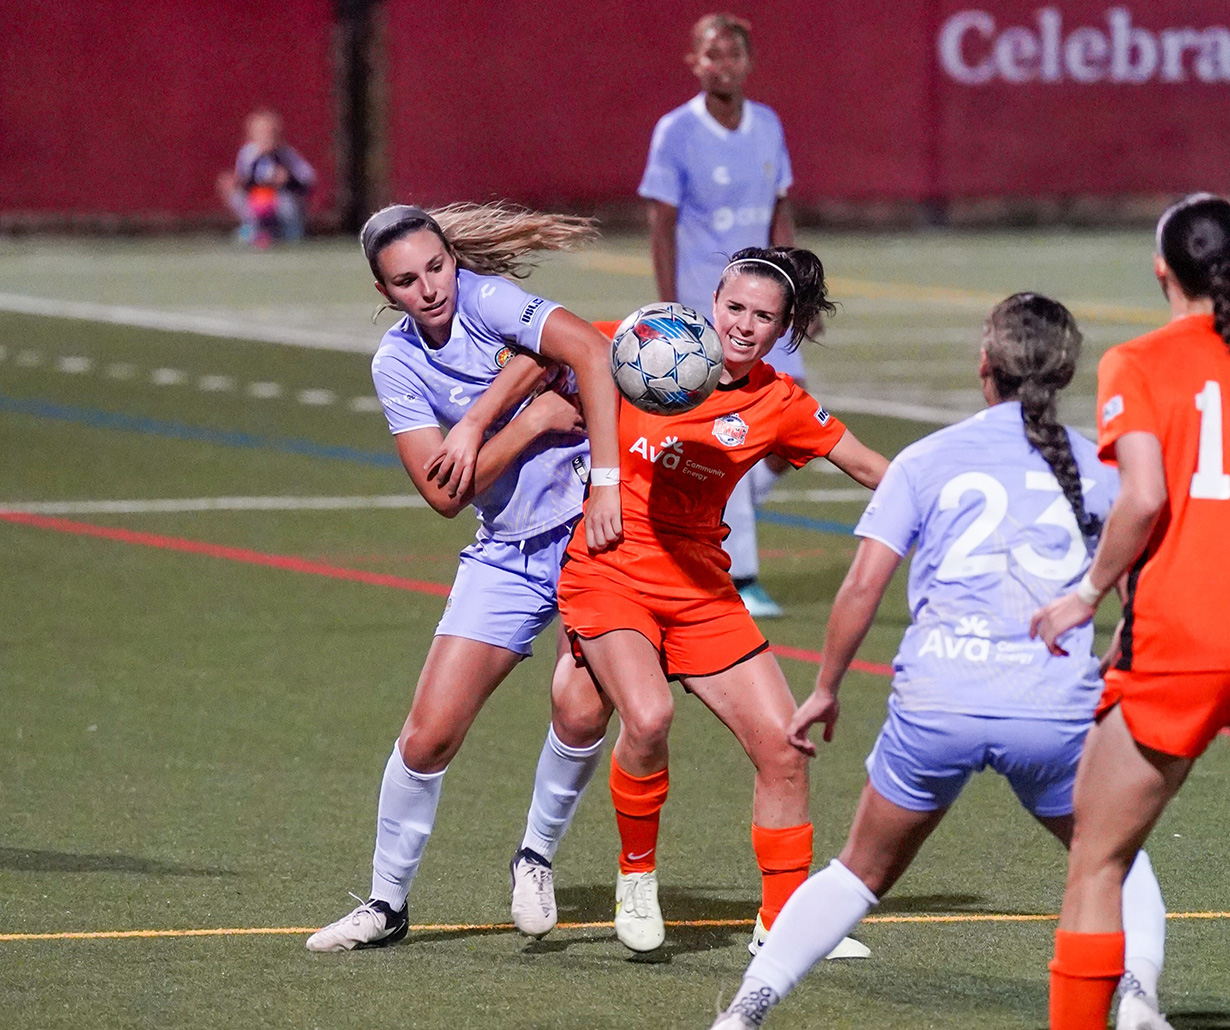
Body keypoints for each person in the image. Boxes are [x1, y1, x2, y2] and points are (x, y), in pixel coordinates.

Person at [711, 293, 1172, 1030]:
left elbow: (864, 584)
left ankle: (746, 1009)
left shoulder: (926, 458)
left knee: (857, 873)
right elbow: (1143, 585)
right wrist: (1119, 655)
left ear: (984, 367)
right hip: (1051, 711)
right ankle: (1140, 997)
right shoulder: (1102, 465)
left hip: (936, 705)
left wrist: (827, 687)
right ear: (1066, 371)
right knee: (1114, 856)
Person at [306, 202, 623, 951]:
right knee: (428, 736)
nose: (430, 289)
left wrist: (483, 424)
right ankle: (386, 905)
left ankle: (535, 858)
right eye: (406, 281)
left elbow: (592, 352)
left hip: (590, 540)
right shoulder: (397, 363)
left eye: (437, 267)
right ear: (385, 293)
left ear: (455, 258)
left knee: (581, 714)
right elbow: (445, 493)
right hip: (506, 554)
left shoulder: (489, 299)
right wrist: (530, 420)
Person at [558, 246, 887, 955]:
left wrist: (947, 499)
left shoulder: (780, 402)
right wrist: (492, 417)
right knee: (647, 717)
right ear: (712, 302)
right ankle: (637, 876)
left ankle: (784, 923)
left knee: (785, 748)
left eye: (763, 316)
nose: (743, 325)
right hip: (611, 567)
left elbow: (866, 467)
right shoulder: (648, 340)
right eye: (733, 306)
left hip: (702, 586)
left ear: (785, 326)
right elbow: (554, 340)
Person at [1032, 193, 1230, 1030]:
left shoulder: (1139, 361)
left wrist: (1085, 593)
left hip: (1184, 638)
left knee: (1098, 859)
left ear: (1162, 271)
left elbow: (1144, 497)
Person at [639, 13, 800, 617]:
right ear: (695, 62)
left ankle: (690, 503)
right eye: (711, 54)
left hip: (770, 301)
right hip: (710, 308)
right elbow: (661, 224)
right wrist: (668, 306)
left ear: (749, 63)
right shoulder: (675, 131)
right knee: (734, 426)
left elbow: (780, 210)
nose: (722, 63)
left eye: (733, 53)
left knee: (788, 431)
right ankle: (742, 575)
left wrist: (798, 290)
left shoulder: (769, 126)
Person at [216, 109, 316, 246]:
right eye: (261, 133)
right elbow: (245, 179)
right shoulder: (248, 154)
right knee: (238, 196)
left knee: (286, 203)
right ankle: (254, 228)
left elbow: (308, 178)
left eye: (270, 133)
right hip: (259, 201)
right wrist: (236, 182)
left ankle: (288, 231)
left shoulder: (286, 155)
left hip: (281, 203)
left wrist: (288, 179)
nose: (266, 138)